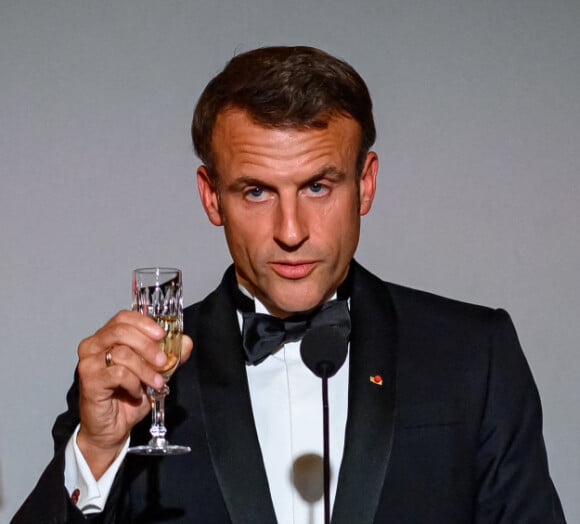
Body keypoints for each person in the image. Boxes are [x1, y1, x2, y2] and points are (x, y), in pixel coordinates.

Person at [13, 46, 565, 524]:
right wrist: (96, 449)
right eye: (256, 192)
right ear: (211, 197)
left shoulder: (474, 354)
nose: (291, 231)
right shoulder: (139, 376)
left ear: (365, 185)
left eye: (318, 187)